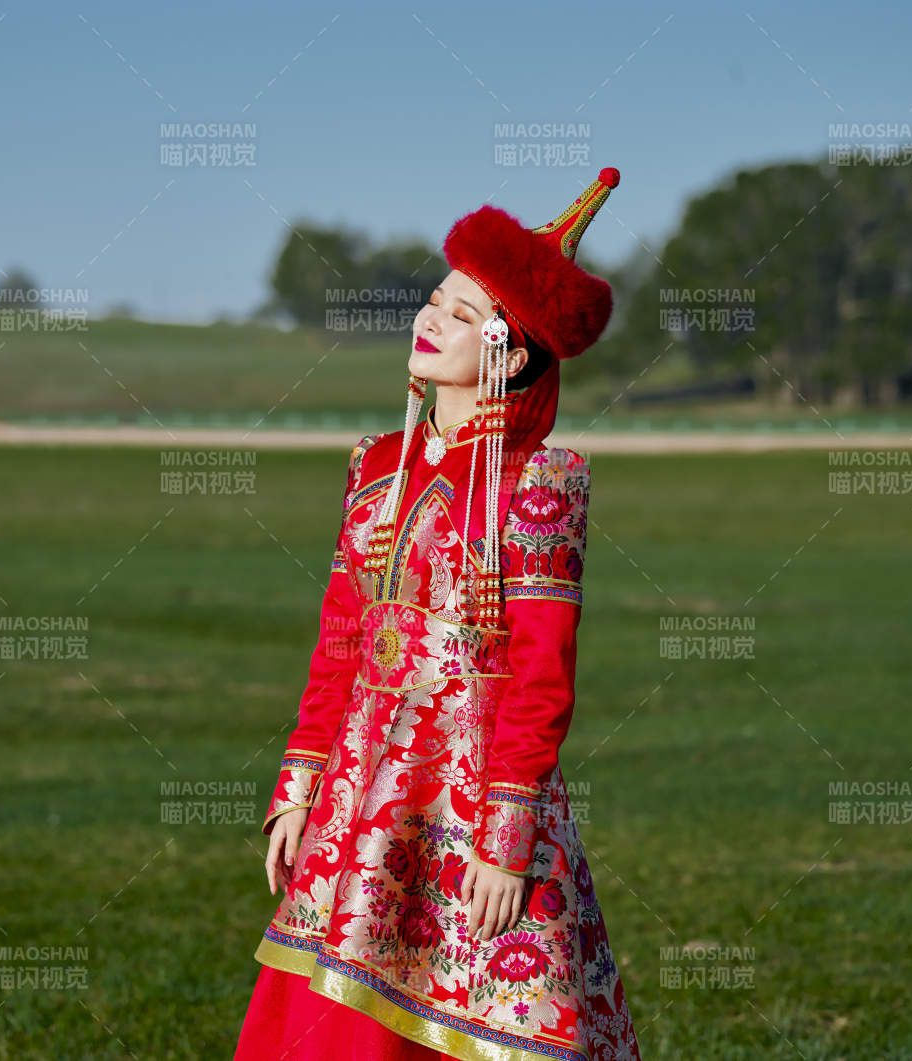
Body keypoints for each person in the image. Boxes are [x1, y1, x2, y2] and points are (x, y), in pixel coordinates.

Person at [235, 168, 641, 1061]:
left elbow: (541, 676)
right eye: (434, 300)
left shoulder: (541, 483)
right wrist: (300, 788)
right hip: (365, 796)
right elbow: (342, 637)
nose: (430, 319)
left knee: (496, 1016)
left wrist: (507, 839)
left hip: (477, 797)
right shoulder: (374, 464)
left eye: (462, 315)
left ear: (513, 348)